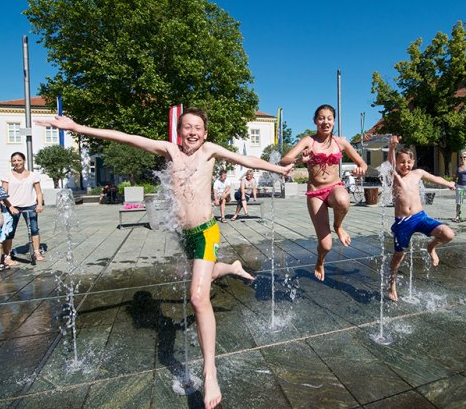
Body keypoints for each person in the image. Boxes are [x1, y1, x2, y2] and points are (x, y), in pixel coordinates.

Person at [37, 107, 293, 409]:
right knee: (206, 275)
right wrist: (80, 128)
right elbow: (128, 138)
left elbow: (246, 160)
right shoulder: (170, 151)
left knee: (198, 298)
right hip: (185, 236)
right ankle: (231, 267)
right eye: (187, 127)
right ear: (179, 131)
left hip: (206, 232)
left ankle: (210, 372)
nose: (193, 133)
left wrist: (278, 170)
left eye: (198, 127)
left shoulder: (209, 151)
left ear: (205, 132)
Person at [280, 104, 367, 282]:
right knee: (326, 245)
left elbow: (362, 164)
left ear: (334, 122)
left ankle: (338, 226)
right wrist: (300, 159)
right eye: (321, 118)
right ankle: (320, 261)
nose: (325, 122)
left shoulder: (340, 142)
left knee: (343, 199)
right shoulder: (308, 141)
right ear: (315, 121)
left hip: (334, 188)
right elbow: (284, 160)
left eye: (329, 118)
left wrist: (361, 170)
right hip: (315, 194)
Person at [387, 135, 456, 301]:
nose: (406, 165)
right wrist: (391, 147)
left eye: (408, 162)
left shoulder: (417, 173)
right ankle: (392, 284)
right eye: (402, 162)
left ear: (413, 162)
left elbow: (435, 178)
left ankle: (431, 247)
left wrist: (449, 184)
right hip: (403, 222)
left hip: (420, 217)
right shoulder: (394, 176)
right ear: (397, 162)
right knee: (399, 255)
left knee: (448, 234)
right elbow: (390, 164)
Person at [2, 152, 44, 265]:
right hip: (13, 206)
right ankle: (7, 256)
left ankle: (36, 251)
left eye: (19, 160)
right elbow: (3, 194)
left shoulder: (33, 175)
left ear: (24, 161)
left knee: (34, 229)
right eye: (14, 161)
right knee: (9, 231)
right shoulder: (7, 175)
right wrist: (10, 206)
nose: (16, 163)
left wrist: (39, 204)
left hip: (30, 206)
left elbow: (39, 192)